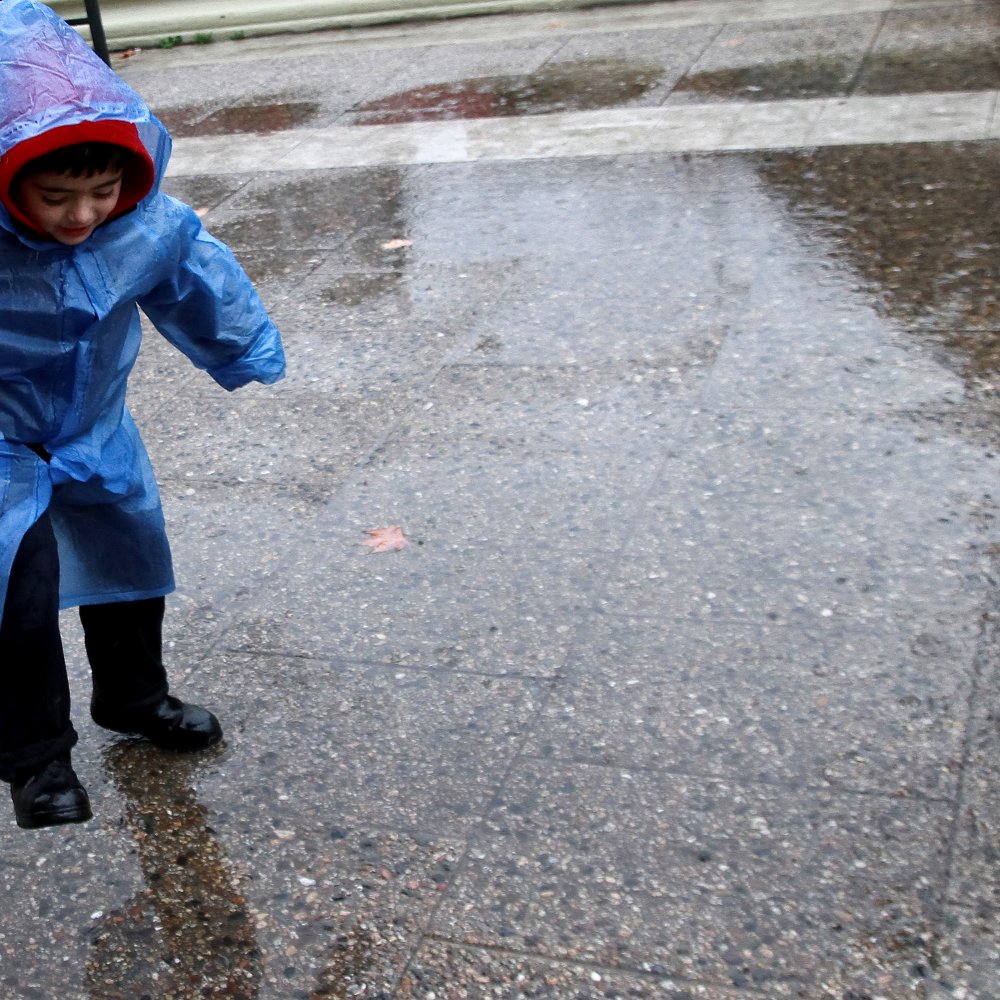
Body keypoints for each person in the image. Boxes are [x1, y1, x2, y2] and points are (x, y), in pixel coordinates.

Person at [0, 1, 286, 829]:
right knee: (16, 593)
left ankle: (134, 697)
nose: (84, 215)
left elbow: (201, 278)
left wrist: (243, 349)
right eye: (56, 196)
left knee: (130, 562)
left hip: (94, 425)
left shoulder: (144, 225)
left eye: (102, 190)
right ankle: (34, 759)